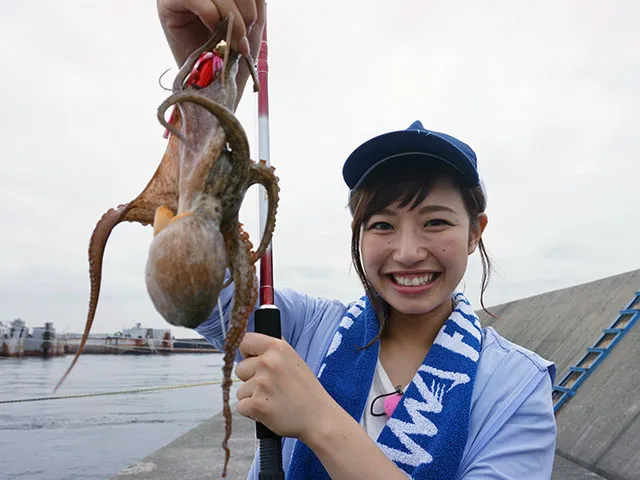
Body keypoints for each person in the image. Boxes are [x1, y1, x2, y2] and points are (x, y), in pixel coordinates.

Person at [158, 1, 557, 478]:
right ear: (358, 233)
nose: (408, 253)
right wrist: (206, 91)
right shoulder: (305, 328)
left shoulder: (517, 388)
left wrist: (318, 421)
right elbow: (191, 285)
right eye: (382, 225)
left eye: (435, 223)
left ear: (476, 232)